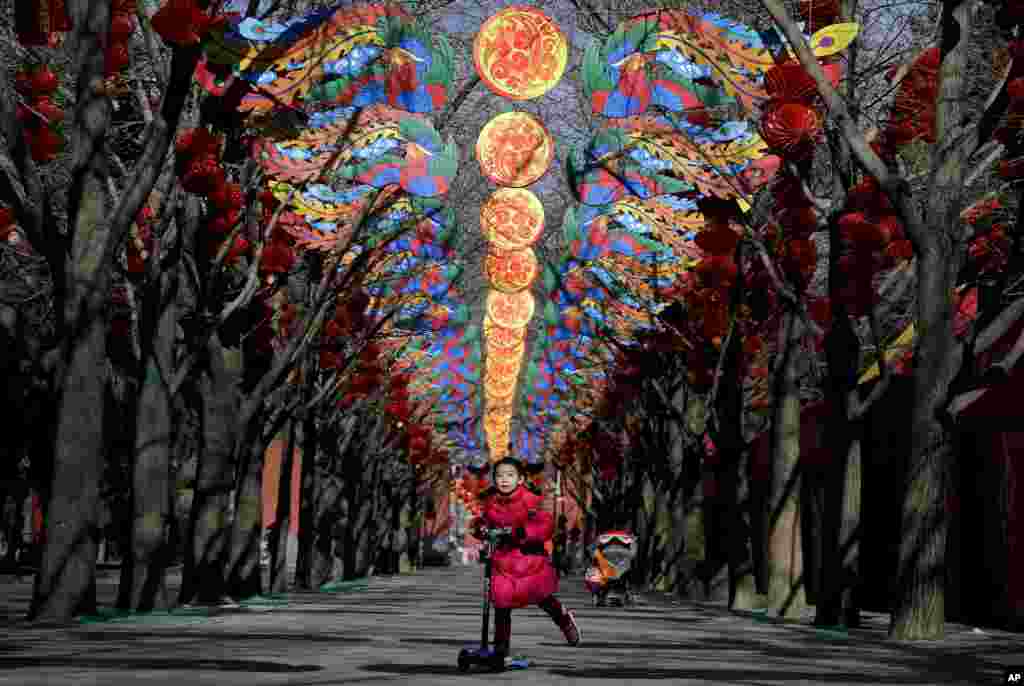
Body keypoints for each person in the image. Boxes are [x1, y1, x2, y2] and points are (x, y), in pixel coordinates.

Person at [469, 457, 581, 662]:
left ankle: (564, 619)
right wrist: (479, 528)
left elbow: (545, 525)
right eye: (500, 476)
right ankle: (501, 648)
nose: (504, 480)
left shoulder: (531, 500)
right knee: (501, 602)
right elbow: (482, 523)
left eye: (510, 475)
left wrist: (523, 532)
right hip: (503, 561)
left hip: (530, 560)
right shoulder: (491, 504)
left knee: (543, 598)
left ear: (520, 479)